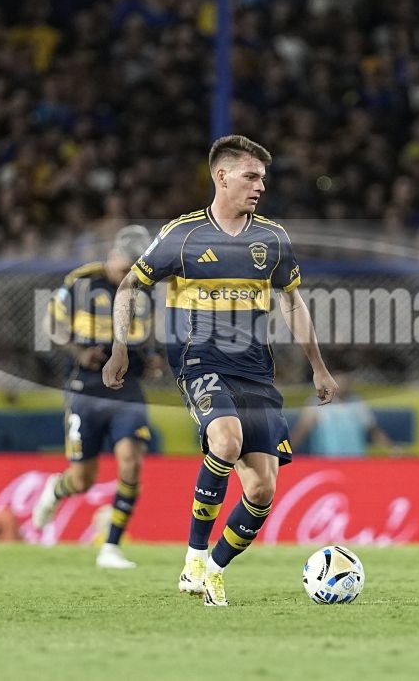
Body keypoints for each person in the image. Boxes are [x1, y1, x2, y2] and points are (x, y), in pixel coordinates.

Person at [102, 135, 338, 604]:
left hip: (256, 372)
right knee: (225, 441)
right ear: (222, 176)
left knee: (262, 489)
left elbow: (292, 303)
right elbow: (129, 285)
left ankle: (213, 569)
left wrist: (319, 366)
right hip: (200, 362)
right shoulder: (183, 235)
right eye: (251, 177)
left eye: (263, 178)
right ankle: (193, 558)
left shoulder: (272, 238)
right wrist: (120, 347)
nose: (260, 187)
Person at [32, 224, 157, 569]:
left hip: (127, 389)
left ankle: (111, 546)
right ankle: (56, 490)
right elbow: (51, 325)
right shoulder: (81, 283)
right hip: (86, 388)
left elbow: (146, 335)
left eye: (135, 269)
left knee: (131, 460)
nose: (129, 275)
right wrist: (78, 352)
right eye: (125, 267)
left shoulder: (144, 289)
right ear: (113, 255)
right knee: (81, 480)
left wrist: (151, 358)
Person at [291, 370, 397, 456]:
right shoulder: (317, 402)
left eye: (344, 380)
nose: (340, 384)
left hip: (355, 461)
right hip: (326, 461)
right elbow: (301, 431)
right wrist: (285, 451)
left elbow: (373, 430)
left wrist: (393, 449)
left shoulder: (357, 402)